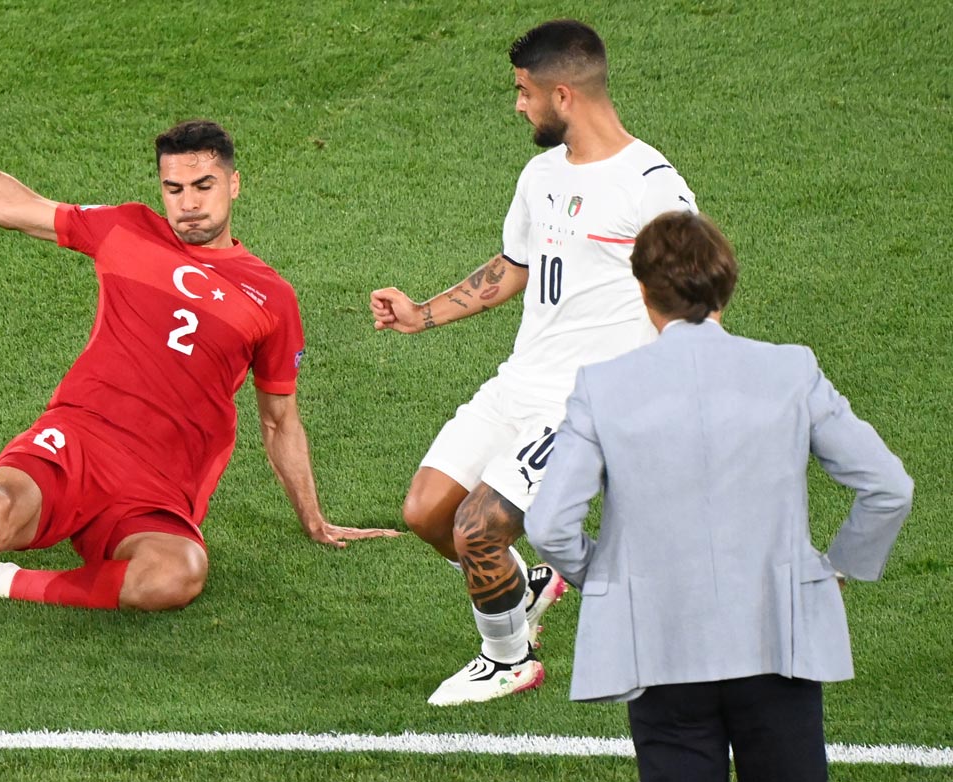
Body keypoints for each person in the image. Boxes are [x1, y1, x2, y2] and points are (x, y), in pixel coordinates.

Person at [0, 60, 399, 628]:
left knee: (178, 573)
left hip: (159, 488)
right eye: (174, 188)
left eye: (203, 186)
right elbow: (13, 207)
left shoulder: (271, 297)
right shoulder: (126, 229)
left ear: (234, 184)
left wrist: (314, 518)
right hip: (80, 434)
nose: (188, 202)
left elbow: (279, 419)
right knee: (5, 504)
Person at [370, 20, 697, 705]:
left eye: (524, 93)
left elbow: (697, 301)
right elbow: (515, 267)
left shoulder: (651, 187)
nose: (518, 106)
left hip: (586, 402)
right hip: (519, 382)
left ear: (563, 95)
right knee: (428, 513)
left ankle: (508, 658)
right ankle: (529, 584)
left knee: (477, 528)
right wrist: (422, 313)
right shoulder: (541, 174)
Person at [525, 211, 913, 781]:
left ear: (642, 289)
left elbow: (548, 524)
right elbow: (888, 487)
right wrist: (836, 571)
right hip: (778, 643)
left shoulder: (602, 387)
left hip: (659, 647)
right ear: (725, 285)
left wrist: (608, 578)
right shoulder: (791, 370)